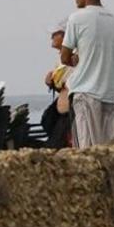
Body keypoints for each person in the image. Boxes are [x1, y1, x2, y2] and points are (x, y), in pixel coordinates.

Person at [62, 0, 114, 148]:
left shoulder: (77, 18)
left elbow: (65, 57)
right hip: (110, 96)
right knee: (108, 151)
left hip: (85, 93)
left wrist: (75, 58)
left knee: (86, 151)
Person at [40, 20, 74, 148]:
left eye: (55, 34)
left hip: (70, 110)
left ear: (65, 36)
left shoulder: (74, 56)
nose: (52, 37)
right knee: (47, 120)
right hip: (64, 107)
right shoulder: (61, 59)